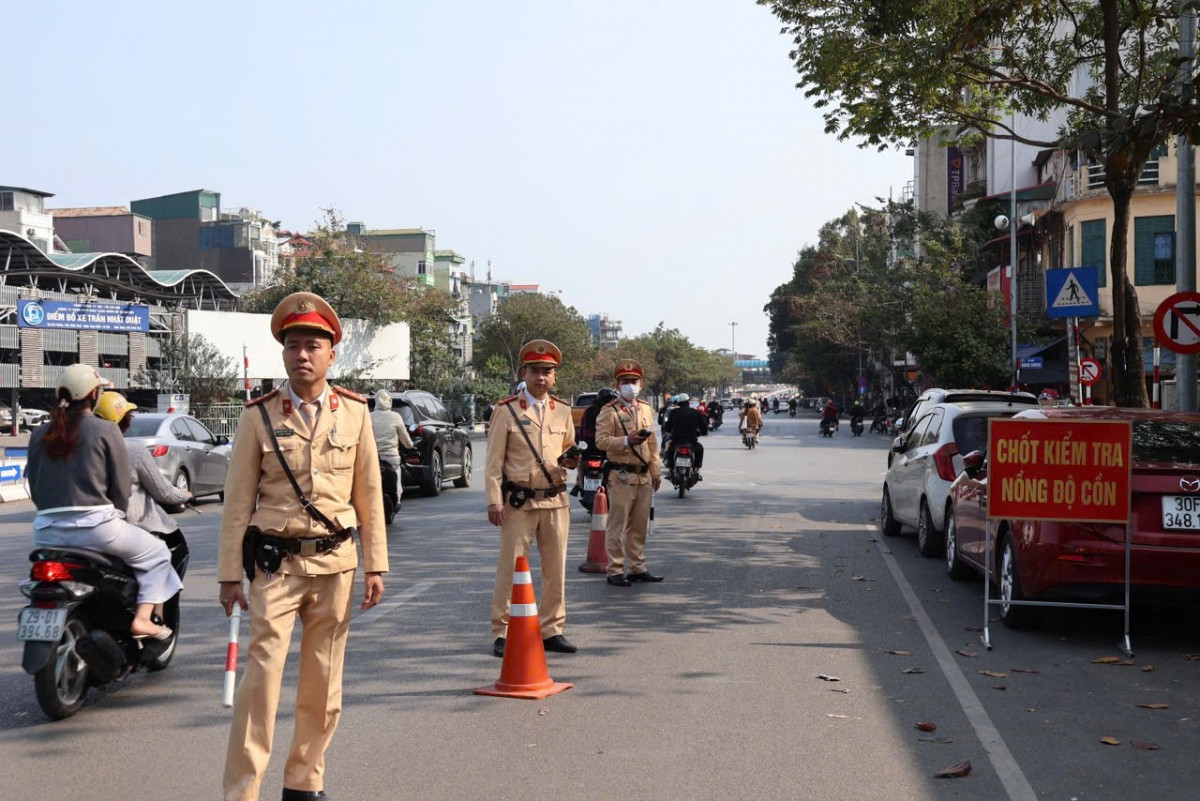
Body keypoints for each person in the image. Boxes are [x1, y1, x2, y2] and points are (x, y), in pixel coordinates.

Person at [217, 292, 387, 801]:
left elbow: (369, 494)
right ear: (284, 354)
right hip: (276, 567)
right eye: (293, 345)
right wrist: (230, 573)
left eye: (313, 345)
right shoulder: (259, 416)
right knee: (261, 683)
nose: (302, 355)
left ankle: (303, 782)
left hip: (336, 565)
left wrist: (376, 564)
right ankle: (243, 791)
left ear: (332, 354)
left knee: (323, 684)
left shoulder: (354, 413)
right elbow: (237, 503)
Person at [26, 364, 182, 640]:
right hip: (97, 528)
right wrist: (118, 514)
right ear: (93, 394)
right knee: (157, 553)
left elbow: (35, 487)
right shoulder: (105, 430)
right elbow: (121, 487)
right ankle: (143, 620)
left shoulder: (40, 433)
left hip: (46, 531)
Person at [486, 339, 580, 658]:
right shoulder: (506, 410)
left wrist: (571, 460)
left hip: (555, 500)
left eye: (548, 372)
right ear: (524, 372)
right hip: (518, 503)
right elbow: (493, 462)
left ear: (555, 376)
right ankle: (503, 631)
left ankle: (552, 629)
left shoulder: (563, 411)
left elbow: (567, 446)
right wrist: (493, 500)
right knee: (511, 568)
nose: (542, 378)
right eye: (536, 371)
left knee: (556, 569)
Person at [595, 358, 663, 586]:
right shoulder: (609, 411)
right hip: (621, 475)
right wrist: (626, 440)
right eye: (624, 381)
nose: (629, 385)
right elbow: (601, 441)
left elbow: (652, 444)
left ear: (640, 383)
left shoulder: (645, 408)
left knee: (639, 526)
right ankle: (615, 570)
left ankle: (637, 567)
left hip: (643, 475)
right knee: (617, 525)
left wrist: (655, 471)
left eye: (633, 381)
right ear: (617, 385)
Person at [94, 391, 193, 534]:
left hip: (88, 528)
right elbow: (163, 491)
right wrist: (185, 495)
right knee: (161, 553)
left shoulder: (82, 451)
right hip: (129, 527)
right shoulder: (133, 451)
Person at [370, 388, 415, 517]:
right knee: (397, 485)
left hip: (374, 459)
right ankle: (397, 501)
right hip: (392, 458)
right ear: (389, 401)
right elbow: (405, 439)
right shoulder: (396, 417)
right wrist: (410, 445)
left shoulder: (369, 417)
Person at [571, 387, 617, 495]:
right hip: (603, 446)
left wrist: (580, 441)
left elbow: (582, 429)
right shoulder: (610, 411)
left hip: (588, 445)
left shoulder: (589, 411)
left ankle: (579, 485)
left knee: (581, 463)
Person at [662, 393, 706, 478]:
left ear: (678, 403)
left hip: (676, 441)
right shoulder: (695, 413)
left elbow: (667, 427)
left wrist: (669, 430)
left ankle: (671, 470)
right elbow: (703, 427)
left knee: (669, 450)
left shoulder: (673, 412)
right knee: (700, 449)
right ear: (688, 402)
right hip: (691, 442)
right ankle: (696, 470)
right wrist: (703, 432)